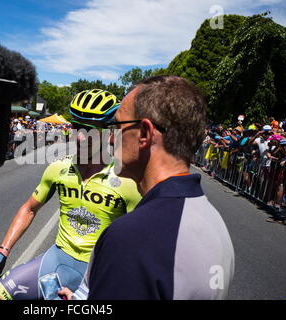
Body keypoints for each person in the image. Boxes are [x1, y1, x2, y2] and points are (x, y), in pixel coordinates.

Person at [61, 76, 235, 300]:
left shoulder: (130, 238)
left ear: (144, 134)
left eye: (116, 126)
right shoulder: (215, 221)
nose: (111, 139)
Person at [0, 89, 142, 300]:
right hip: (56, 258)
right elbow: (29, 208)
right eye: (76, 127)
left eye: (89, 129)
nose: (81, 136)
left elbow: (139, 246)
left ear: (109, 132)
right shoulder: (58, 168)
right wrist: (2, 252)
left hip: (98, 273)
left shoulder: (128, 180)